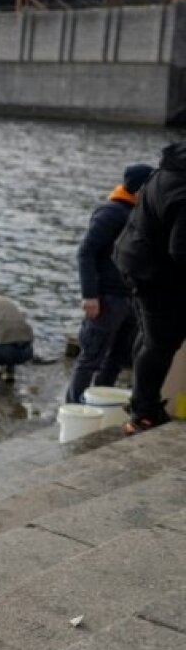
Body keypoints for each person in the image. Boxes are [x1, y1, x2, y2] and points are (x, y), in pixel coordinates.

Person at [112, 141, 186, 434]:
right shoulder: (184, 191)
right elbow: (181, 251)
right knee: (161, 342)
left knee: (149, 334)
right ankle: (143, 414)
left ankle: (141, 402)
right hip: (153, 271)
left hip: (133, 256)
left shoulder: (170, 168)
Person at [65, 163, 154, 403]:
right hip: (107, 298)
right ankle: (73, 405)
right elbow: (86, 252)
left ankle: (98, 402)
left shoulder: (142, 215)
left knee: (119, 358)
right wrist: (90, 295)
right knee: (91, 357)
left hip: (131, 298)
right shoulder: (111, 212)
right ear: (141, 189)